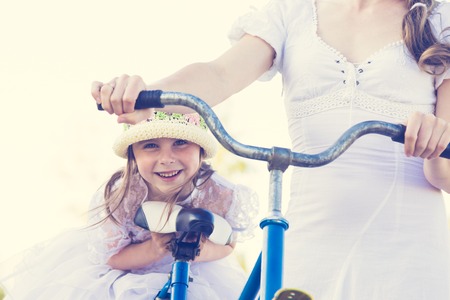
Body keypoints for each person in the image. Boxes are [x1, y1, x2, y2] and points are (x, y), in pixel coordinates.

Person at [91, 0, 450, 299]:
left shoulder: (439, 19)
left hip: (408, 246)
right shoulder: (293, 11)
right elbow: (219, 75)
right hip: (310, 238)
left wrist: (438, 142)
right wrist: (151, 96)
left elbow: (444, 175)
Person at [0, 111, 259, 299]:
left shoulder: (218, 194)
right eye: (151, 146)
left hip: (195, 273)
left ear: (201, 150)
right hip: (128, 269)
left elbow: (228, 244)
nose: (167, 158)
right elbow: (112, 258)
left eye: (181, 142)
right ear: (133, 155)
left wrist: (199, 251)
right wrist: (156, 248)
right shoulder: (122, 195)